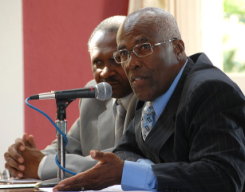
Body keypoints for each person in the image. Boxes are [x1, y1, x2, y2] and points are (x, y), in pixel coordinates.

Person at [53, 7, 245, 192]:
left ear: (177, 48)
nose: (132, 63)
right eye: (124, 54)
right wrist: (135, 170)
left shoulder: (209, 90)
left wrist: (137, 173)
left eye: (143, 48)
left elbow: (223, 175)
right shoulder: (148, 91)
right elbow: (126, 151)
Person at [4, 15, 137, 180]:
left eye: (115, 60)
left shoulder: (148, 97)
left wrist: (42, 165)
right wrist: (24, 160)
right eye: (98, 63)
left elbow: (122, 161)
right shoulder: (95, 96)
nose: (105, 72)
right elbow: (66, 147)